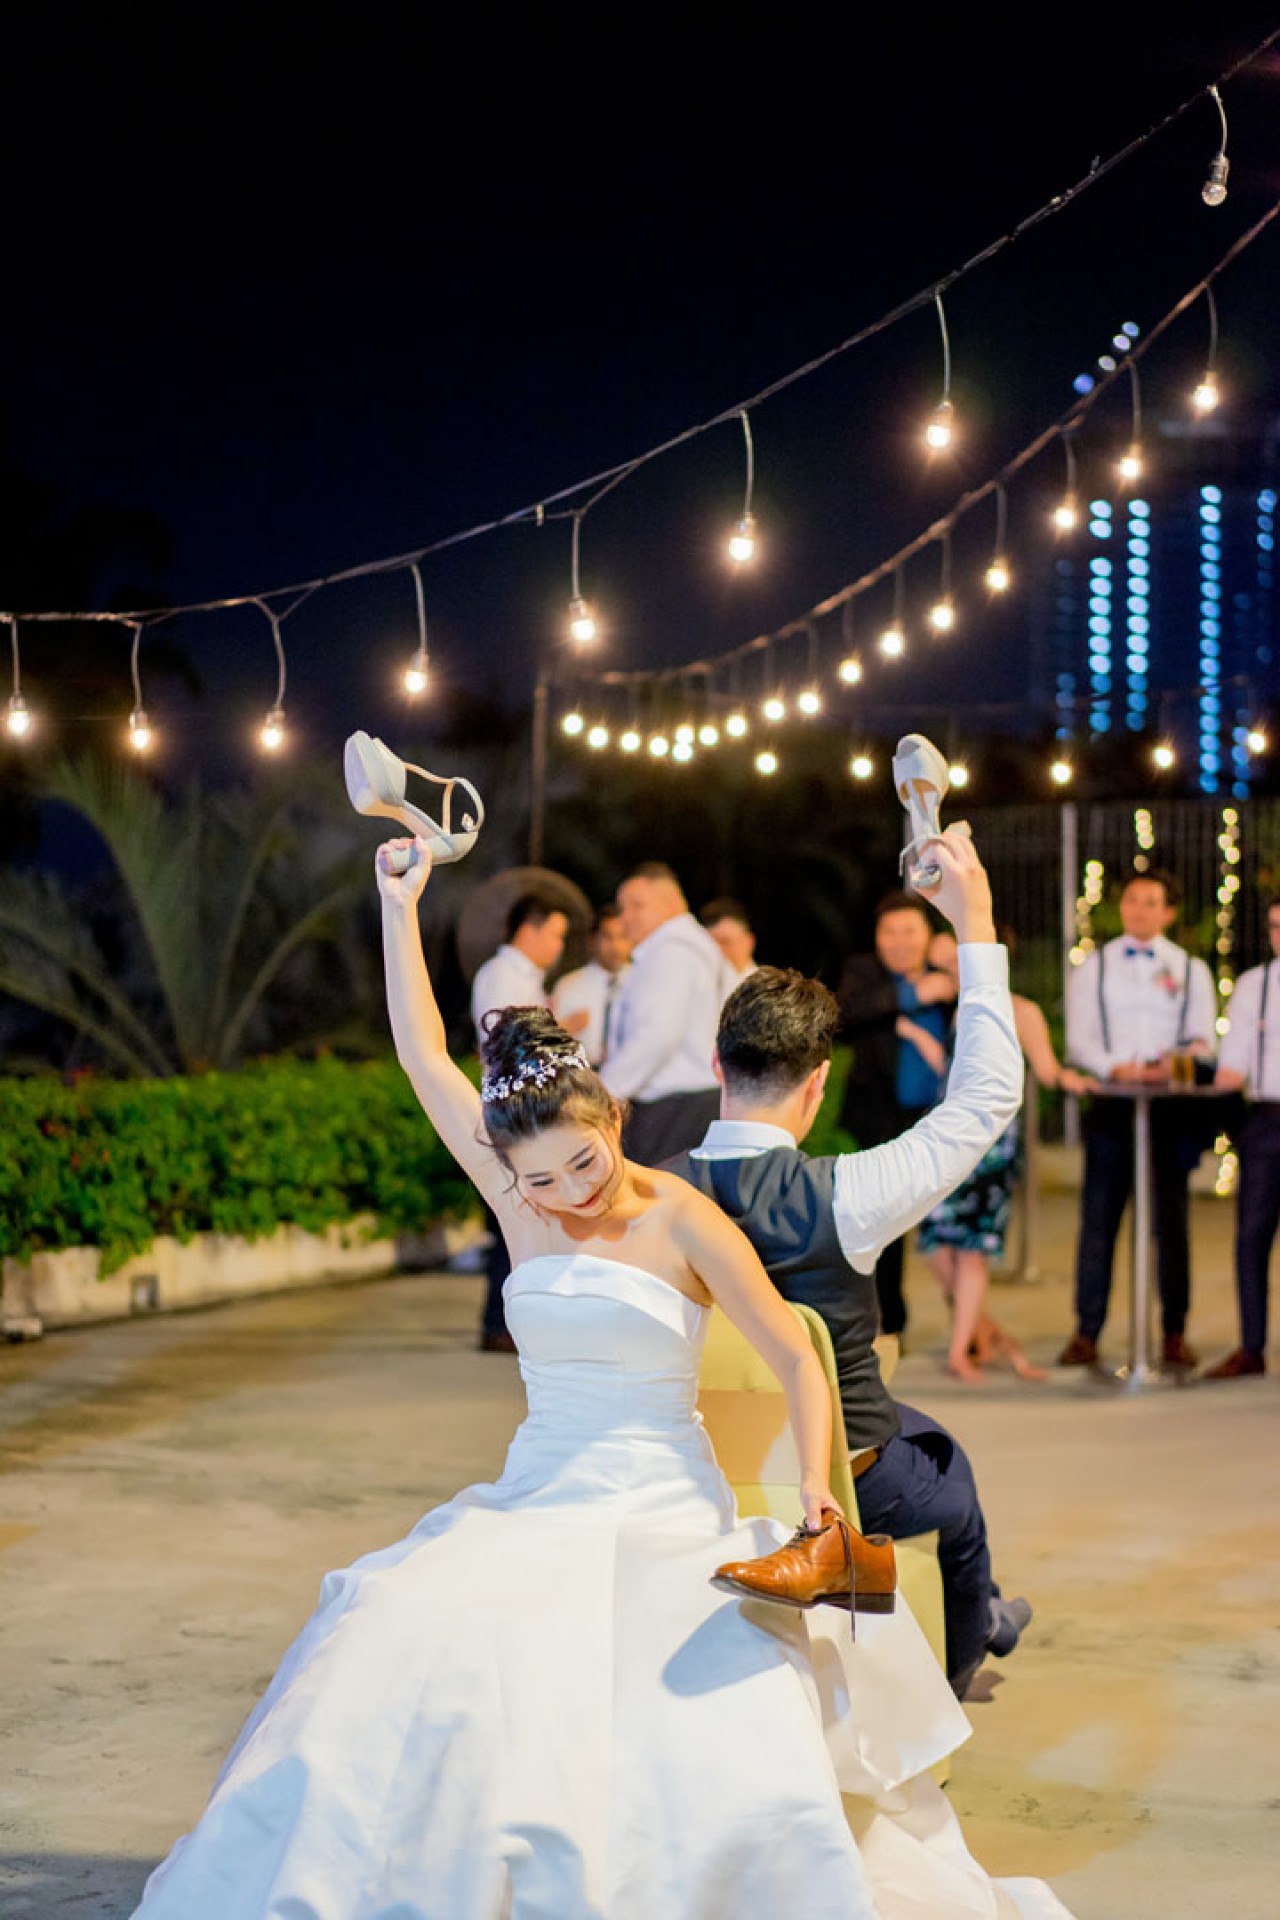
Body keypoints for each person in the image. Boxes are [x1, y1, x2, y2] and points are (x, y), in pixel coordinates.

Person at [129, 826, 1075, 1920]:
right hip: (536, 1489)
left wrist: (820, 1492)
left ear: (614, 1117)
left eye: (584, 1160)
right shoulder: (520, 1198)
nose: (571, 1193)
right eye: (540, 1179)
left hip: (663, 1495)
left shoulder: (682, 1211)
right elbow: (423, 1056)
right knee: (396, 1629)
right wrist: (399, 908)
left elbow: (792, 1353)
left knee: (683, 1685)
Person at [667, 830, 1036, 1700]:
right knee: (951, 1480)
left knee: (927, 1435)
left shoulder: (652, 1195)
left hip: (696, 1465)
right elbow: (986, 1097)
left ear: (717, 1064)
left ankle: (983, 1616)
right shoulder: (847, 1194)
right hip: (842, 1480)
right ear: (818, 1083)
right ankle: (965, 1653)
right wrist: (975, 923)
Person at [916, 929, 1093, 1383]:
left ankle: (960, 1352)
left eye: (958, 963)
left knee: (973, 1249)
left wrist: (1073, 1081)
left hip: (991, 1144)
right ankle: (991, 1337)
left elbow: (1047, 1070)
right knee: (934, 1241)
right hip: (948, 1137)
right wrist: (912, 1030)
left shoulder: (1021, 1011)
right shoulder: (960, 1010)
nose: (951, 972)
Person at [1059, 868, 1217, 1371]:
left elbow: (1203, 1040)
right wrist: (1115, 1067)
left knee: (1171, 1224)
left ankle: (1173, 1332)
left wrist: (1171, 1064)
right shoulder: (1095, 966)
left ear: (1168, 912)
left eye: (1151, 902)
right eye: (1132, 899)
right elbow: (1079, 1040)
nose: (1139, 910)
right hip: (1113, 1104)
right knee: (1099, 1219)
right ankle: (1087, 1331)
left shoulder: (1191, 968)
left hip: (1170, 1107)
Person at [835, 889, 956, 1339]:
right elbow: (844, 1016)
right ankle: (889, 1321)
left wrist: (952, 963)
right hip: (880, 1117)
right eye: (890, 932)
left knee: (952, 1229)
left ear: (929, 935)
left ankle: (969, 1326)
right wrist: (911, 994)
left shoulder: (947, 973)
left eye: (910, 931)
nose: (900, 942)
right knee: (885, 1225)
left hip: (940, 1118)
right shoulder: (865, 973)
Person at [470, 889, 570, 1351]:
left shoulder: (523, 977)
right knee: (509, 1216)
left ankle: (510, 1322)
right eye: (554, 935)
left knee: (524, 1214)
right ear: (529, 930)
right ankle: (498, 1326)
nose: (558, 947)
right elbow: (505, 1047)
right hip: (512, 1113)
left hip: (525, 1112)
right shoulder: (502, 976)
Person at [601, 860, 738, 1164]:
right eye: (622, 909)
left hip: (672, 1110)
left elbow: (656, 1035)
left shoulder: (671, 952)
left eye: (637, 906)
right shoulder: (696, 948)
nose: (625, 918)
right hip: (697, 1103)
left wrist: (603, 1093)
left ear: (673, 903)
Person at [1204, 894, 1280, 1379]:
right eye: (1274, 926)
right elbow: (1232, 1062)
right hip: (1267, 1119)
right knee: (1251, 1236)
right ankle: (1251, 1347)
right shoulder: (1256, 984)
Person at [550, 901, 631, 1066]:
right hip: (582, 1072)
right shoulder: (569, 986)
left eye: (623, 937)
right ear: (592, 940)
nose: (616, 946)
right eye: (608, 937)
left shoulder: (642, 982)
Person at [699, 895, 758, 976]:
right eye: (712, 944)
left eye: (725, 942)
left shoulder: (769, 983)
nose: (718, 950)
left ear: (749, 942)